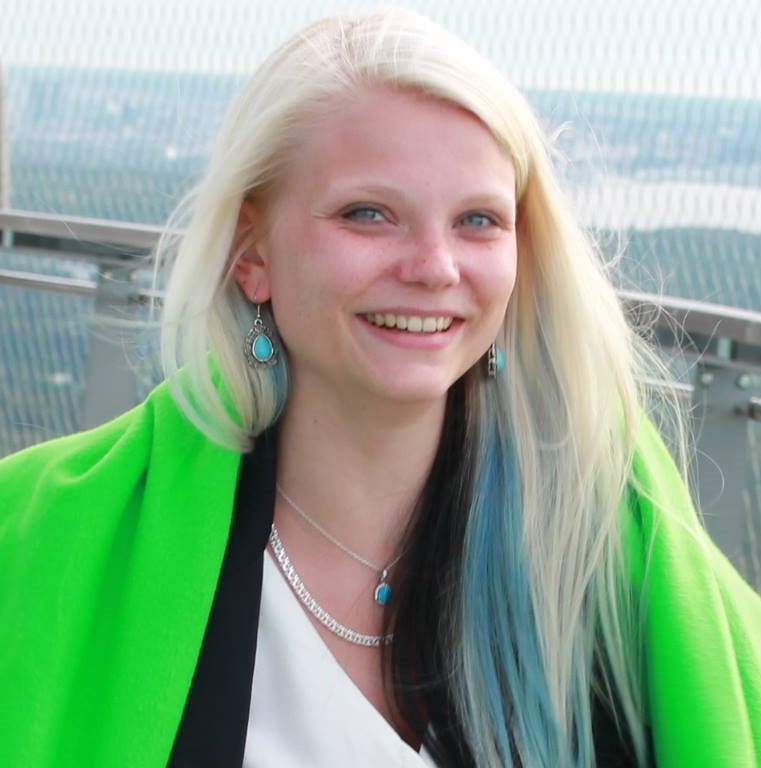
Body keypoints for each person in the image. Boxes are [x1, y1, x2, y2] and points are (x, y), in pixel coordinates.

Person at [1, 7, 760, 768]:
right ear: (250, 252)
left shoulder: (612, 547)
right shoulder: (36, 540)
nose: (434, 267)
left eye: (477, 220)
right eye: (368, 214)